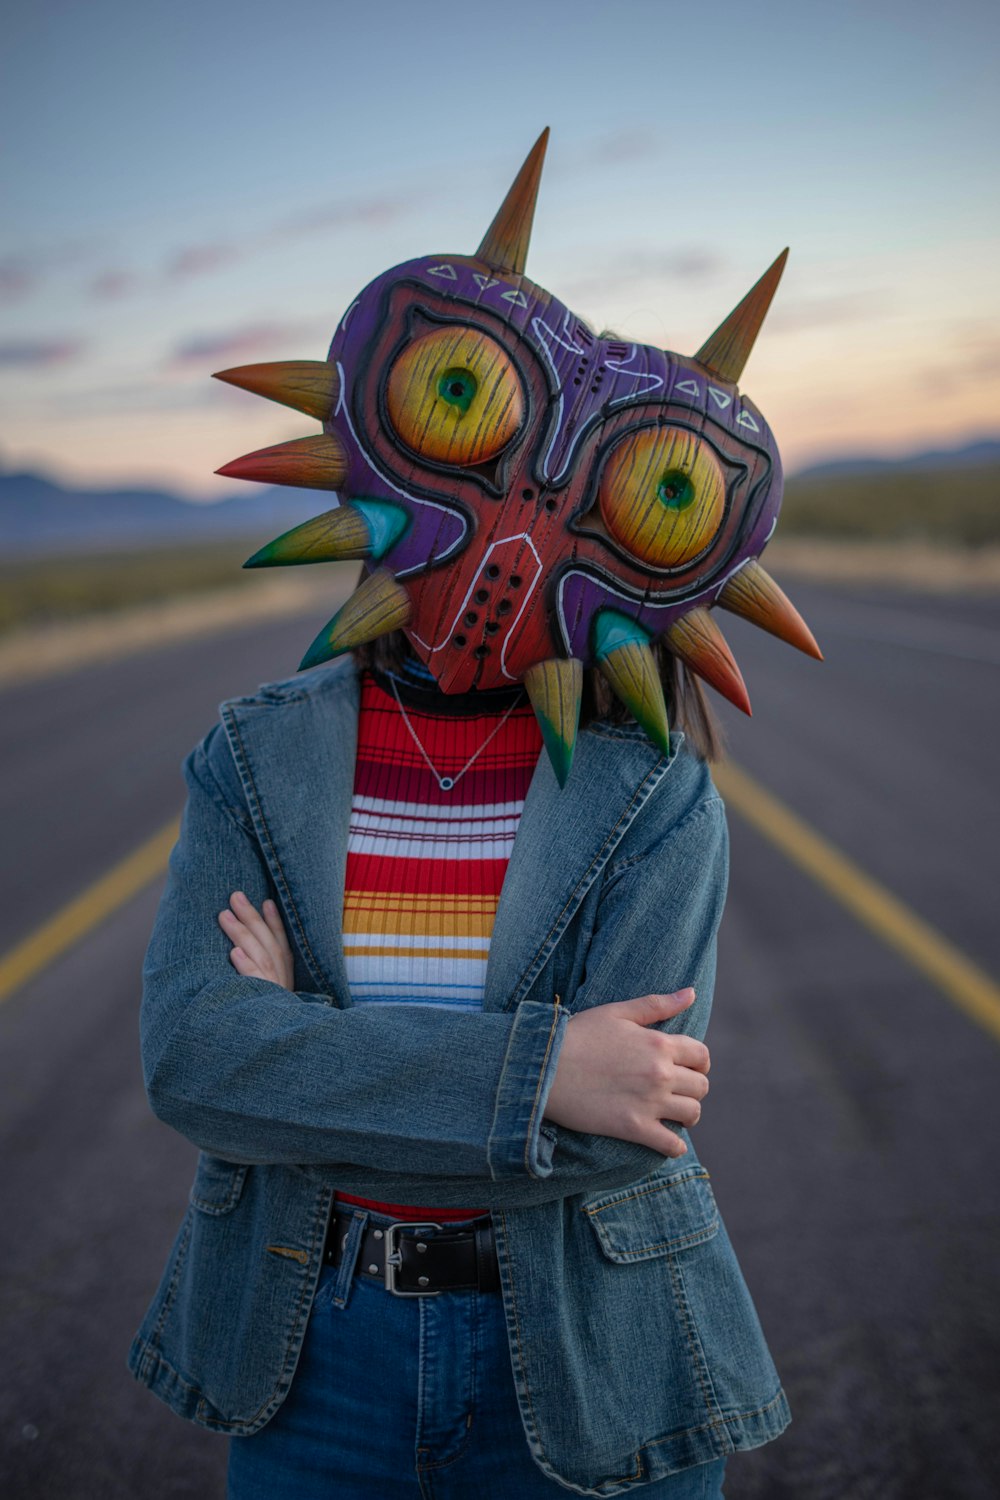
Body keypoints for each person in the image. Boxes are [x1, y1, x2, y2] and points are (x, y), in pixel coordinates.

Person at [131, 130, 818, 1496]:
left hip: (591, 1362)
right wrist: (536, 1071)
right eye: (467, 411)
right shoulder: (253, 762)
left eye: (644, 492)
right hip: (309, 1353)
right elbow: (195, 1061)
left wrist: (310, 1046)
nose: (523, 519)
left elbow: (614, 1127)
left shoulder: (659, 801)